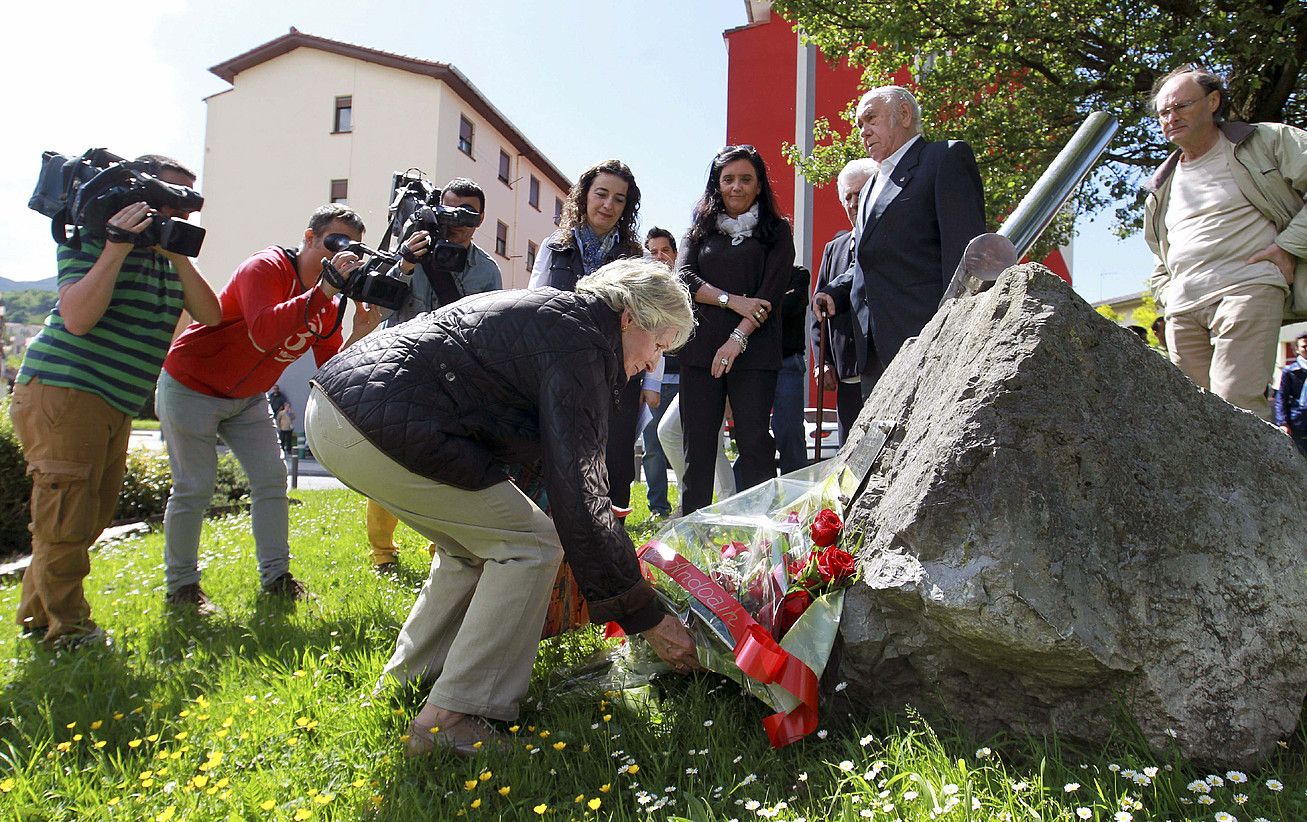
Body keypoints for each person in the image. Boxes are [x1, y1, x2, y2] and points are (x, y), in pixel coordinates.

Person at [305, 259, 701, 755]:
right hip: (379, 421)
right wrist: (648, 615)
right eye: (659, 344)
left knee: (475, 549)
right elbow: (582, 491)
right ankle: (452, 716)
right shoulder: (582, 342)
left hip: (339, 408)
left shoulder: (562, 320)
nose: (653, 362)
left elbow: (545, 468)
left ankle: (413, 681)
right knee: (532, 545)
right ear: (630, 315)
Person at [10, 155, 221, 647]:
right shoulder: (89, 234)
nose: (181, 211)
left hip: (112, 401)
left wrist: (175, 253)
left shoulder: (166, 258)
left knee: (84, 516)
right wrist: (116, 247)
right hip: (67, 390)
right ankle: (69, 631)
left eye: (188, 201)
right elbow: (78, 318)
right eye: (172, 197)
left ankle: (36, 618)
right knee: (65, 516)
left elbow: (209, 315)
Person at [156, 204, 384, 613]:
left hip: (247, 398)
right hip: (191, 384)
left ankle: (277, 579)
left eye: (351, 249)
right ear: (309, 238)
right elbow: (264, 331)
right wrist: (324, 294)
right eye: (334, 243)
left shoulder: (325, 305)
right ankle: (182, 588)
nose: (339, 256)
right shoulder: (265, 267)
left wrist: (361, 334)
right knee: (194, 488)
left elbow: (329, 370)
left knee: (271, 481)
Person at [1144, 65, 1307, 419]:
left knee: (1237, 408)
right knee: (1196, 420)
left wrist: (1289, 246)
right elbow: (1160, 257)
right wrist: (1169, 296)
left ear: (1213, 101)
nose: (1171, 118)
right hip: (1183, 311)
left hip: (1247, 288)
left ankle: (1269, 476)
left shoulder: (1267, 141)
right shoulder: (1160, 185)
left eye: (1181, 106)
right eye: (1163, 112)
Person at [366, 178, 503, 573]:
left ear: (481, 220)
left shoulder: (486, 270)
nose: (457, 221)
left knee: (444, 465)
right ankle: (382, 554)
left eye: (468, 214)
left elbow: (488, 329)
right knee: (387, 463)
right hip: (397, 368)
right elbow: (379, 307)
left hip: (451, 376)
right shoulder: (408, 251)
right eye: (450, 209)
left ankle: (441, 551)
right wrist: (407, 262)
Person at [813, 85, 987, 397]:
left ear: (903, 115)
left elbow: (965, 258)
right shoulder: (867, 189)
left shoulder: (944, 158)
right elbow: (870, 260)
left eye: (871, 119)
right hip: (873, 352)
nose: (863, 132)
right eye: (859, 125)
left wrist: (952, 332)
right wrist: (836, 292)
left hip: (927, 341)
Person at [528, 159, 653, 512]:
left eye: (619, 199)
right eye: (601, 194)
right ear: (584, 196)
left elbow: (647, 321)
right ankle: (553, 547)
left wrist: (651, 383)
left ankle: (611, 547)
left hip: (618, 376)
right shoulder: (555, 246)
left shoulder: (636, 257)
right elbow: (534, 304)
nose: (608, 205)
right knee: (557, 456)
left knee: (614, 463)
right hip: (559, 371)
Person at [677, 145, 795, 515]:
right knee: (697, 446)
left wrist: (736, 338)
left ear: (759, 186)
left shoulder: (777, 232)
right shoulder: (698, 231)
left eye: (746, 179)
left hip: (755, 352)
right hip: (700, 354)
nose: (736, 187)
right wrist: (733, 300)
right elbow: (682, 278)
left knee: (754, 440)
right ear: (717, 185)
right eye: (728, 179)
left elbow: (768, 296)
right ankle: (690, 528)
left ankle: (763, 531)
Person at [813, 159, 877, 440]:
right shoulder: (833, 249)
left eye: (860, 194)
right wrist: (822, 360)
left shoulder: (889, 239)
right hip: (847, 371)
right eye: (847, 196)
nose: (852, 203)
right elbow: (819, 307)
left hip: (883, 365)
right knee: (849, 450)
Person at [641, 227, 680, 517]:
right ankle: (658, 507)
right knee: (653, 446)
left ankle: (688, 503)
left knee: (685, 444)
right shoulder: (643, 291)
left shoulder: (685, 289)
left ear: (675, 255)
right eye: (652, 251)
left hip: (685, 381)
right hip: (654, 379)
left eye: (664, 250)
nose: (659, 257)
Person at [773, 265, 811, 473]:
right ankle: (752, 495)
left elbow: (791, 305)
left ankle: (796, 496)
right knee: (751, 435)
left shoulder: (798, 274)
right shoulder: (753, 272)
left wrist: (755, 304)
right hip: (754, 364)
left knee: (789, 431)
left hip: (787, 362)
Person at [1276, 333, 1307, 455]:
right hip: (1298, 420)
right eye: (1304, 346)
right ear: (1297, 349)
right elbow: (1281, 397)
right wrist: (1283, 422)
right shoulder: (1290, 371)